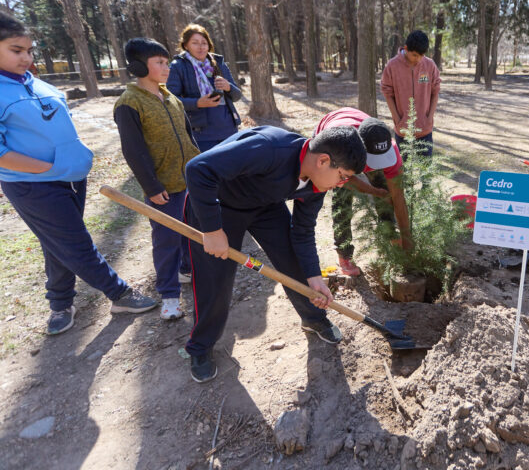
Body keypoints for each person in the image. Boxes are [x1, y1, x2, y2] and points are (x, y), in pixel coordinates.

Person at [0, 13, 157, 335]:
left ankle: (60, 302)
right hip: (35, 185)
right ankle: (120, 294)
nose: (26, 57)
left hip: (72, 178)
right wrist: (50, 168)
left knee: (57, 241)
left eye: (29, 50)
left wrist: (74, 158)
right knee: (75, 242)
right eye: (16, 50)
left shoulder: (35, 83)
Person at [183, 125, 367, 382]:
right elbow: (198, 169)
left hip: (264, 206)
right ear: (323, 161)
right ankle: (200, 347)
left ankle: (313, 318)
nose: (341, 184)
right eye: (343, 177)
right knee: (215, 280)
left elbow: (303, 232)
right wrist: (212, 230)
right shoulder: (269, 148)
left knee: (295, 262)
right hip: (218, 205)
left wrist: (314, 277)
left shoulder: (316, 184)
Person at [114, 38, 200, 320]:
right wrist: (151, 186)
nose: (166, 68)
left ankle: (187, 271)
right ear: (139, 67)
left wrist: (199, 169)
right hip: (163, 189)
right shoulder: (129, 103)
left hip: (188, 182)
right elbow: (133, 150)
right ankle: (170, 296)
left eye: (167, 62)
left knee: (191, 232)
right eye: (159, 63)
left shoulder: (171, 97)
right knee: (167, 241)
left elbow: (188, 137)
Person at [313, 108, 412, 276]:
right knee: (342, 200)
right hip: (334, 141)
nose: (378, 165)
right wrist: (373, 191)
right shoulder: (339, 148)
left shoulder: (390, 149)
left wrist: (407, 239)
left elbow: (398, 197)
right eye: (374, 160)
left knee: (385, 189)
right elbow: (346, 182)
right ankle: (344, 254)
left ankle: (390, 240)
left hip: (364, 138)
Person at [166, 24, 242, 153]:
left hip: (229, 129)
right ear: (186, 45)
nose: (200, 47)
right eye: (195, 43)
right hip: (201, 135)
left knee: (235, 165)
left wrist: (228, 87)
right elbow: (171, 101)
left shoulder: (218, 63)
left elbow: (237, 96)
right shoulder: (178, 66)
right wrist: (197, 103)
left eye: (204, 43)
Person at [381, 30, 441, 159]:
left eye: (421, 55)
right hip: (402, 131)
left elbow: (435, 92)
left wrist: (429, 118)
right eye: (414, 55)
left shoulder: (429, 65)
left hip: (425, 130)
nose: (418, 59)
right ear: (406, 48)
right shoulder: (392, 66)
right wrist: (397, 119)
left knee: (425, 168)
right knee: (403, 169)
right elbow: (387, 93)